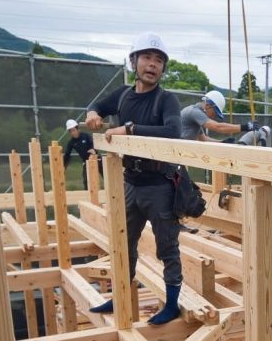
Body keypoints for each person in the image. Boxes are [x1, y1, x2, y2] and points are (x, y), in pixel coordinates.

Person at [84, 31, 185, 325]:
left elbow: (173, 131)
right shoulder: (124, 94)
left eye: (158, 60)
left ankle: (172, 303)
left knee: (167, 246)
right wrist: (92, 113)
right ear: (134, 62)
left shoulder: (166, 100)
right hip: (130, 183)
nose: (152, 65)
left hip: (160, 185)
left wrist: (128, 129)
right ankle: (121, 296)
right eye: (146, 58)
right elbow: (98, 108)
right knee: (124, 242)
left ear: (163, 68)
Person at [180, 90, 258, 141]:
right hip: (174, 151)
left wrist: (222, 142)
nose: (213, 116)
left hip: (177, 151)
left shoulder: (196, 118)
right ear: (208, 105)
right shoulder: (194, 112)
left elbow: (203, 139)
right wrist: (245, 127)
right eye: (214, 112)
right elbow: (218, 127)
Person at [62, 118, 98, 188]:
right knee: (86, 181)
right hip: (86, 162)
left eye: (73, 130)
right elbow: (67, 155)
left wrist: (94, 150)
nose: (72, 133)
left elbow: (93, 144)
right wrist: (63, 166)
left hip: (96, 159)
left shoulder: (86, 136)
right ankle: (88, 195)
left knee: (105, 174)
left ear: (78, 129)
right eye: (70, 131)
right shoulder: (71, 142)